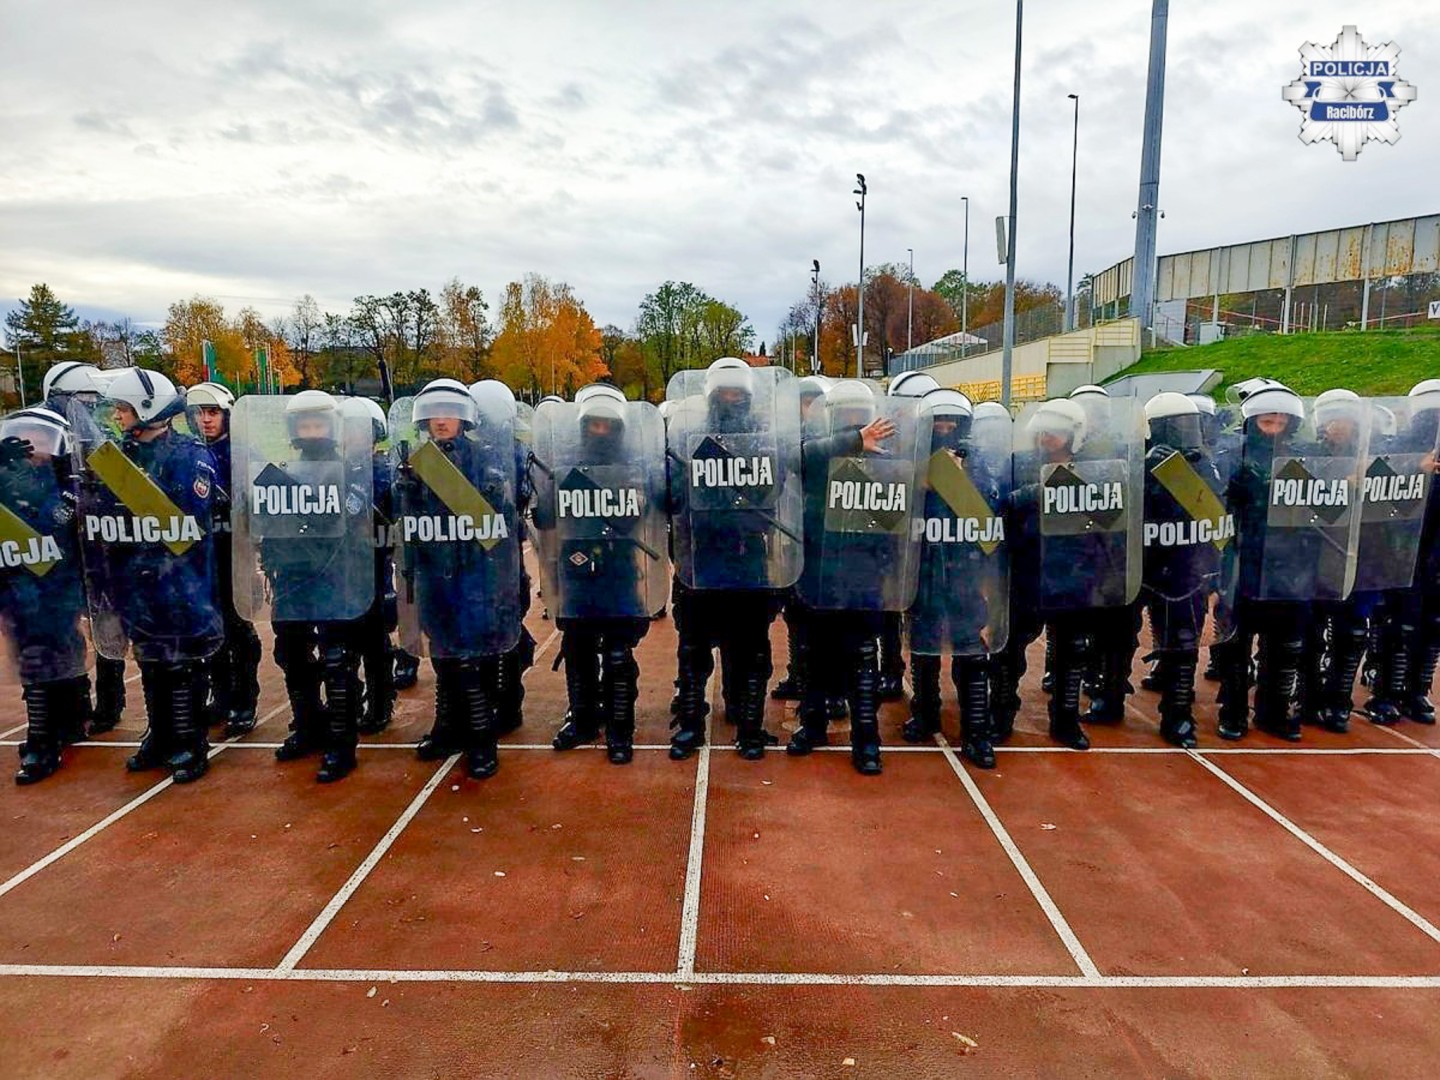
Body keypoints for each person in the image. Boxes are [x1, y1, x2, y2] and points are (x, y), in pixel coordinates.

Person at [72, 368, 223, 782]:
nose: (118, 416)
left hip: (179, 581)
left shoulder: (189, 456)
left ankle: (190, 743)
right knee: (151, 661)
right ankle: (159, 736)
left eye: (123, 408)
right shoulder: (118, 457)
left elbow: (188, 521)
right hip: (134, 580)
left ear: (146, 409)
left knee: (181, 665)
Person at [667, 359, 802, 760]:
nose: (730, 400)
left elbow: (771, 494)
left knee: (752, 651)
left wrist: (733, 503)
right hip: (701, 557)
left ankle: (750, 727)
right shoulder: (690, 439)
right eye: (723, 393)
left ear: (748, 398)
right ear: (711, 398)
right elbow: (674, 497)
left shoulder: (764, 440)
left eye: (737, 394)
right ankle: (690, 725)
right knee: (693, 650)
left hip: (746, 556)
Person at [789, 380, 922, 774]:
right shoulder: (817, 453)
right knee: (813, 657)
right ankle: (812, 727)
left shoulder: (888, 458)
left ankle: (866, 739)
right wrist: (851, 441)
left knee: (863, 660)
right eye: (843, 416)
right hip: (818, 570)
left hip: (863, 575)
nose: (851, 422)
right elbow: (797, 457)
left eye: (856, 417)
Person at [397, 379, 522, 778]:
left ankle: (482, 739)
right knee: (444, 652)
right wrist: (405, 491)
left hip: (475, 572)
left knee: (471, 657)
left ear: (465, 417)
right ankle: (447, 726)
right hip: (434, 570)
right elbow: (406, 524)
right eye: (433, 414)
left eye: (448, 412)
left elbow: (495, 523)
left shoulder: (485, 460)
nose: (440, 421)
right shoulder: (415, 462)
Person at [247, 391, 375, 781]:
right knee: (290, 654)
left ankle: (341, 743)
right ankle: (307, 727)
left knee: (337, 660)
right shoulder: (284, 471)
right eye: (304, 424)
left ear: (332, 427)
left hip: (336, 577)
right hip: (292, 578)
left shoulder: (351, 472)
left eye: (318, 423)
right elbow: (263, 521)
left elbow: (353, 516)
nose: (311, 431)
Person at [534, 391, 666, 763]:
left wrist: (641, 489)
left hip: (620, 568)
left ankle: (621, 726)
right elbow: (545, 520)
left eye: (608, 423)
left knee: (619, 653)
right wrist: (550, 490)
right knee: (577, 649)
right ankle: (583, 719)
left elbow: (652, 510)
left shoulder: (636, 467)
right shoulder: (564, 467)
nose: (601, 429)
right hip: (576, 569)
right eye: (594, 422)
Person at [903, 388, 1007, 768]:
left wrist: (959, 481)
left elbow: (992, 514)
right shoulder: (913, 461)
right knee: (923, 647)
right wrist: (920, 481)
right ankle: (925, 712)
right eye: (938, 421)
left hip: (964, 572)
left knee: (971, 652)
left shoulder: (978, 464)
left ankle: (976, 731)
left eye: (952, 421)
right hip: (926, 569)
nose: (945, 427)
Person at [1214, 384, 1320, 741]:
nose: (1274, 425)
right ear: (1251, 421)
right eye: (1266, 419)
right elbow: (1211, 502)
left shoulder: (1308, 457)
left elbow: (1327, 508)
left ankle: (1273, 711)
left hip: (1293, 565)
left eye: (1280, 420)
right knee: (1234, 643)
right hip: (1245, 559)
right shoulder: (1233, 456)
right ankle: (1233, 711)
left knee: (1285, 646)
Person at [1137, 393, 1233, 747]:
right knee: (1115, 637)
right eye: (1173, 426)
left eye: (1186, 425)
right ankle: (1109, 696)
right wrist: (1144, 473)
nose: (1182, 434)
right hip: (1140, 564)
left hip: (1183, 568)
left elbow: (1216, 517)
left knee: (1183, 641)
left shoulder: (1207, 466)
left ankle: (1177, 715)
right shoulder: (1138, 461)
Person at [0, 407, 91, 782]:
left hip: (59, 581)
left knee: (62, 647)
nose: (32, 445)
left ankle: (70, 716)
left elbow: (71, 518)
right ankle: (42, 738)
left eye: (40, 438)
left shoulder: (67, 479)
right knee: (33, 656)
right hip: (18, 583)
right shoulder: (6, 479)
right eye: (25, 436)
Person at [42, 361, 126, 734]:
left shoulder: (97, 439)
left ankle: (109, 702)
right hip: (58, 550)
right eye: (84, 401)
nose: (90, 410)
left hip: (97, 544)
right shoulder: (41, 439)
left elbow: (122, 482)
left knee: (107, 623)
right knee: (61, 627)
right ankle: (72, 705)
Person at [188, 382, 262, 739]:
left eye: (213, 412)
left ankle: (245, 701)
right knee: (208, 629)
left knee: (238, 629)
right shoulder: (187, 455)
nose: (205, 420)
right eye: (199, 413)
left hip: (235, 552)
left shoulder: (244, 453)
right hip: (199, 556)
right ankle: (221, 697)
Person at [1366, 380, 1440, 727]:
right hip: (1402, 548)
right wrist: (1417, 469)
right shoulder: (1398, 447)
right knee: (1400, 621)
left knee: (1434, 623)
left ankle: (1418, 689)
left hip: (1436, 553)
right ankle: (1386, 691)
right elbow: (1378, 488)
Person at [875, 370, 942, 700]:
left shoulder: (949, 443)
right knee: (889, 609)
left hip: (932, 540)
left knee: (924, 612)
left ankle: (924, 691)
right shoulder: (888, 440)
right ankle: (889, 669)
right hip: (892, 533)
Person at [339, 397, 398, 734]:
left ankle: (379, 701)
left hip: (374, 567)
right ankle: (349, 701)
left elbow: (395, 522)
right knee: (344, 644)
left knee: (375, 642)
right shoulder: (331, 469)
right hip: (339, 570)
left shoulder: (384, 471)